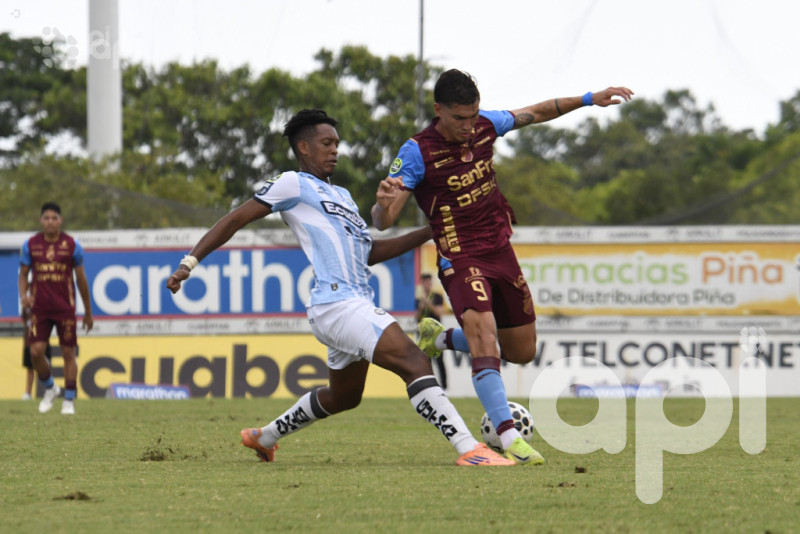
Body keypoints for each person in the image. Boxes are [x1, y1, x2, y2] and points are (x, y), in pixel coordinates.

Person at [166, 109, 516, 466]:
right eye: (326, 143)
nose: (335, 150)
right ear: (303, 147)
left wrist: (430, 231)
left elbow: (369, 252)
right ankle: (470, 449)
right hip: (338, 304)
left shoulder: (345, 197)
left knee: (344, 397)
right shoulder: (293, 183)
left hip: (349, 304)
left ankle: (263, 437)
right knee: (415, 360)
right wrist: (188, 263)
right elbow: (234, 219)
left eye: (337, 143)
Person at [371, 69, 634, 464]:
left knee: (522, 350)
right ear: (438, 110)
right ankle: (509, 438)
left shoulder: (486, 126)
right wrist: (384, 201)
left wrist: (589, 98)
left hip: (500, 249)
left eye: (473, 115)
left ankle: (440, 340)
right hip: (460, 256)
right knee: (483, 335)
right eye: (459, 118)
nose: (467, 126)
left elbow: (536, 111)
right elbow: (382, 220)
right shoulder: (416, 152)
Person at [18, 202, 93, 415]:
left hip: (64, 307)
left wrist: (88, 312)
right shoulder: (31, 244)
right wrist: (24, 296)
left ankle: (69, 399)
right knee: (35, 351)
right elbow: (23, 274)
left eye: (54, 217)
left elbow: (81, 279)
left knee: (69, 352)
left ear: (60, 220)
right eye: (46, 218)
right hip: (39, 308)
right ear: (41, 220)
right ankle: (50, 388)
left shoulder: (71, 244)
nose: (50, 221)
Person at [415, 273, 447, 390]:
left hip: (436, 332)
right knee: (425, 361)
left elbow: (439, 312)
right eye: (424, 282)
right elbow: (417, 318)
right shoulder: (419, 300)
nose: (427, 285)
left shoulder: (437, 296)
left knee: (439, 360)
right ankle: (429, 386)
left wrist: (428, 303)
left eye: (429, 282)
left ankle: (444, 387)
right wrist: (420, 308)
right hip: (424, 333)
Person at [21, 307, 52, 400]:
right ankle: (28, 392)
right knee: (30, 369)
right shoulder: (26, 308)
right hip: (29, 343)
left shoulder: (43, 304)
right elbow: (25, 321)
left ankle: (49, 390)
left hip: (42, 343)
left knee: (44, 368)